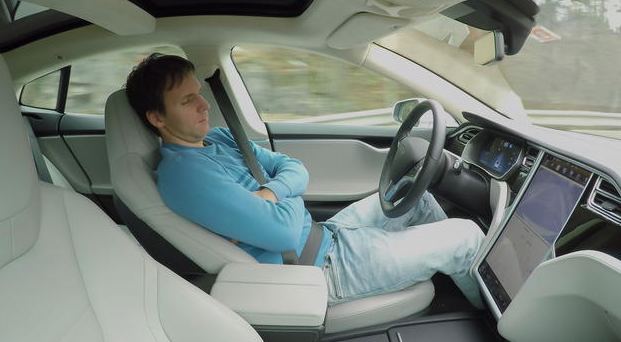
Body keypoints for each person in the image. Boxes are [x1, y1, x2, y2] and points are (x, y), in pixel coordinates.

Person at [125, 53, 485, 308]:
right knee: (465, 237)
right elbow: (282, 231)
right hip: (318, 269)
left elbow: (296, 168)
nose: (204, 106)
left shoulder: (218, 138)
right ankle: (503, 330)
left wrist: (271, 193)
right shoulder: (186, 176)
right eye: (188, 100)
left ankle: (455, 282)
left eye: (200, 94)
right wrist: (286, 197)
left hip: (326, 234)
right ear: (157, 117)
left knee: (411, 190)